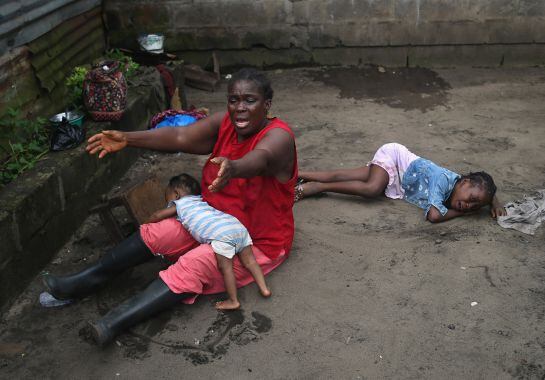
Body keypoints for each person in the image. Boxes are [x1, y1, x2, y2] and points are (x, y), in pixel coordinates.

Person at [42, 68, 296, 346]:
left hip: (254, 240)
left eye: (250, 100)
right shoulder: (226, 123)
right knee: (158, 232)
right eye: (234, 100)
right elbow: (180, 137)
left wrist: (234, 167)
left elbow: (260, 158)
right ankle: (83, 282)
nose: (240, 108)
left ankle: (111, 324)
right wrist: (128, 138)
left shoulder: (279, 138)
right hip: (213, 219)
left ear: (267, 105)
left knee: (194, 263)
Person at [147, 173, 271, 310]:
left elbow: (157, 215)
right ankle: (264, 288)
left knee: (226, 268)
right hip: (236, 226)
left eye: (167, 199)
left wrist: (148, 224)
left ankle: (233, 300)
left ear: (176, 195)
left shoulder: (179, 204)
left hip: (221, 235)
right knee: (250, 261)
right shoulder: (201, 201)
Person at [296, 142, 506, 223]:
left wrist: (493, 202)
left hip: (396, 177)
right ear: (464, 181)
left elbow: (484, 190)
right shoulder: (443, 181)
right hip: (395, 158)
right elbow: (434, 216)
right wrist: (465, 213)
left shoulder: (463, 185)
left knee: (347, 176)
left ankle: (299, 174)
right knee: (371, 189)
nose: (469, 205)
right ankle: (318, 187)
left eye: (475, 205)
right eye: (470, 200)